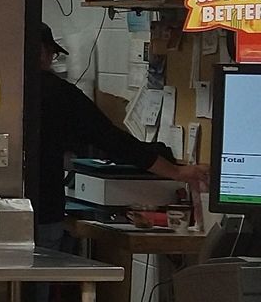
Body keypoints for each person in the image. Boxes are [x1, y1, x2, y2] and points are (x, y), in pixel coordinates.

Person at [29, 22, 203, 249]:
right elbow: (114, 141)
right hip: (43, 211)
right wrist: (177, 171)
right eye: (52, 54)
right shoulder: (59, 93)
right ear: (42, 52)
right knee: (35, 280)